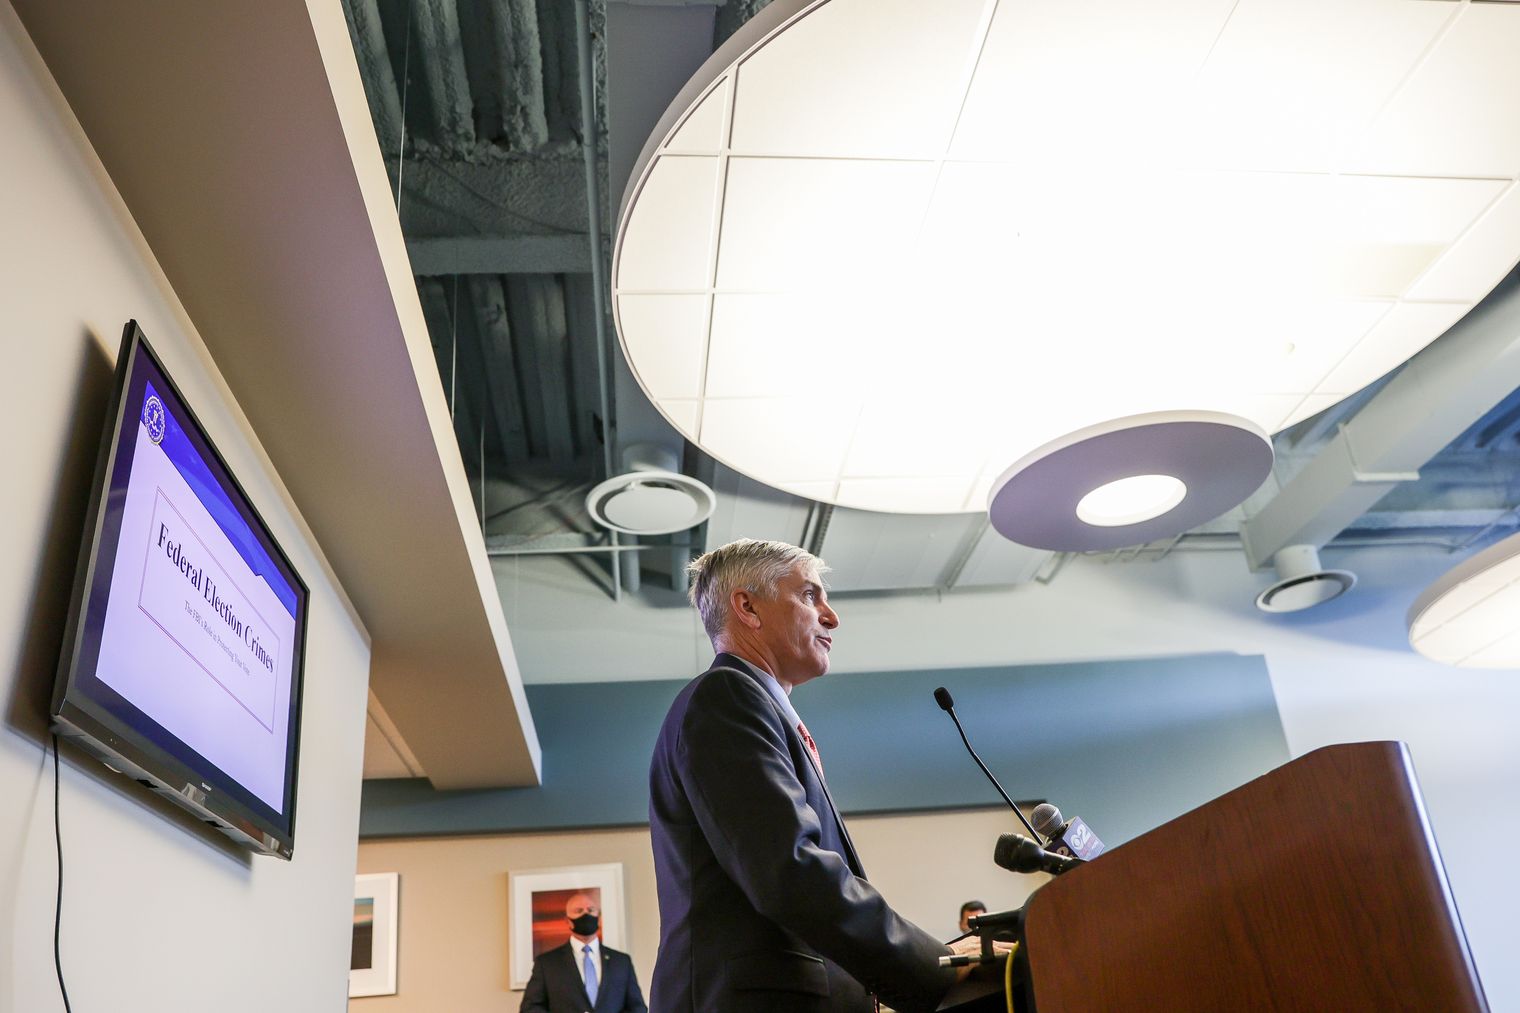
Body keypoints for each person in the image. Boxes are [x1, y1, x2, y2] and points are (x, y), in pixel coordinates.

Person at [648, 538, 994, 1013]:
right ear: (747, 607)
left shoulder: (755, 704)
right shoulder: (727, 696)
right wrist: (937, 963)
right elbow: (790, 870)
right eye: (809, 595)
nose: (832, 616)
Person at [520, 891, 647, 1013]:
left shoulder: (621, 962)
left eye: (591, 910)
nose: (586, 914)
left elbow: (638, 1007)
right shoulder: (547, 963)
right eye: (578, 911)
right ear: (567, 920)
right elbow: (530, 1008)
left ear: (599, 917)